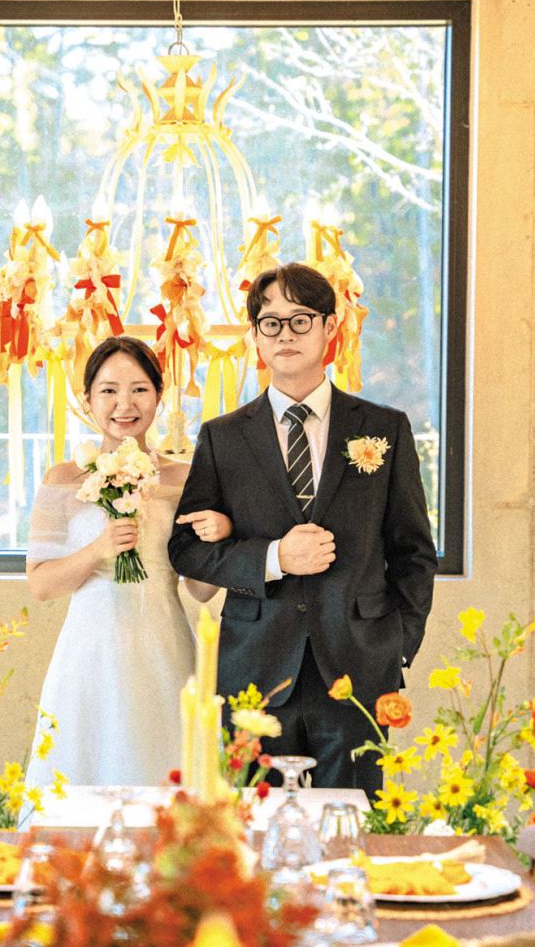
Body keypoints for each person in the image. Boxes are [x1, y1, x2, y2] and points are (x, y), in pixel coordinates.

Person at [168, 263, 438, 797]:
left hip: (358, 664)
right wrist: (271, 558)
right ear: (255, 337)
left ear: (330, 327)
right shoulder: (223, 437)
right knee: (250, 834)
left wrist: (397, 643)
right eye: (270, 323)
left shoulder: (383, 428)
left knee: (351, 824)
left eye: (300, 320)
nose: (285, 334)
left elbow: (413, 551)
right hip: (254, 666)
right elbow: (187, 551)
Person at [23, 335, 231, 789]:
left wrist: (220, 537)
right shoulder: (63, 479)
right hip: (89, 651)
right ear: (87, 399)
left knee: (168, 768)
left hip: (164, 643)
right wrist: (99, 548)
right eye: (109, 390)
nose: (124, 404)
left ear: (158, 396)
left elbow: (199, 588)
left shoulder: (185, 477)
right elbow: (41, 584)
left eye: (139, 389)